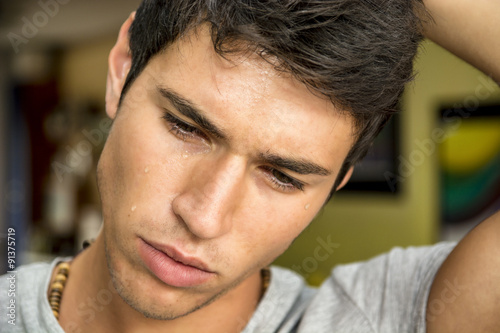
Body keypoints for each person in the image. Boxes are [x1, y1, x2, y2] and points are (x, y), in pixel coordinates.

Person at [1, 0, 499, 332]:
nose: (203, 216)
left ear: (338, 181)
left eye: (283, 176)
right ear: (122, 71)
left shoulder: (381, 317)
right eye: (186, 128)